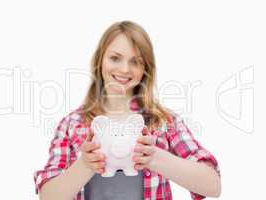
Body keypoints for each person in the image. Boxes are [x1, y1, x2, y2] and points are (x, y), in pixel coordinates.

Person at [34, 21, 221, 200]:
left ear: (145, 69)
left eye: (135, 62)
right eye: (115, 58)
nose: (124, 69)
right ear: (100, 60)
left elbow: (212, 185)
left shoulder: (163, 121)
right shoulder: (72, 124)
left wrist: (154, 157)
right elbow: (48, 196)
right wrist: (84, 165)